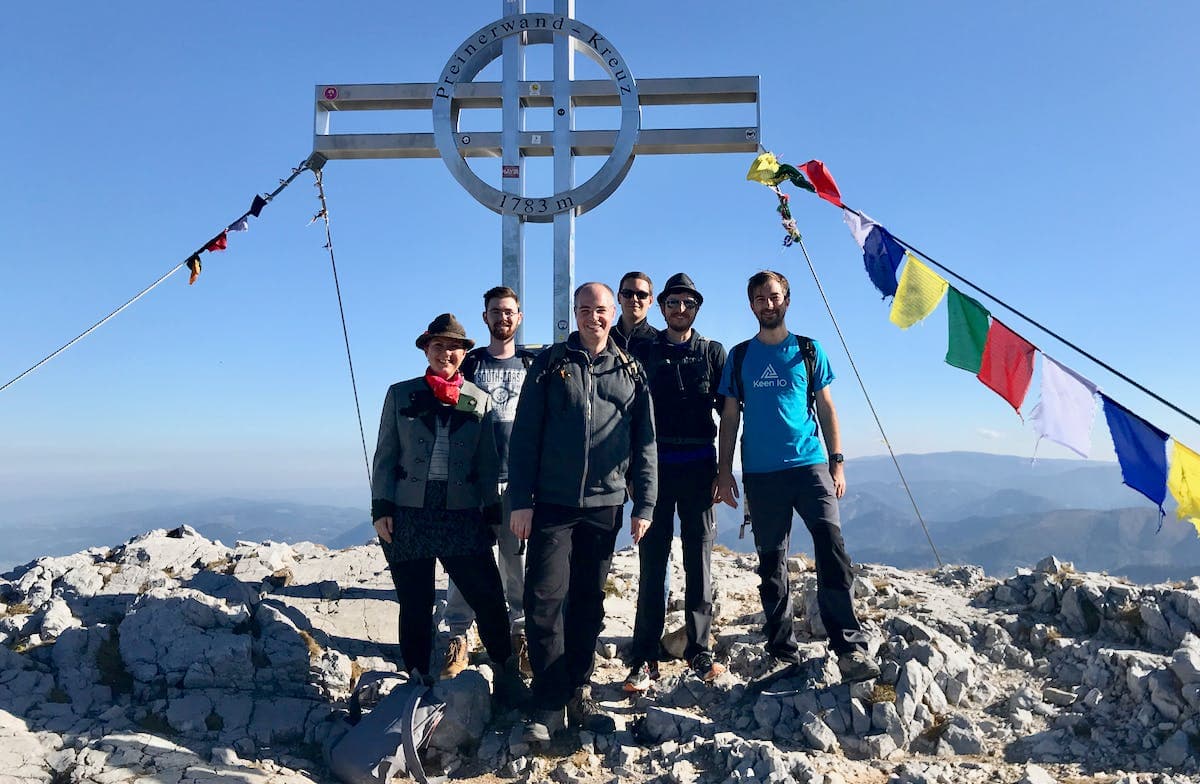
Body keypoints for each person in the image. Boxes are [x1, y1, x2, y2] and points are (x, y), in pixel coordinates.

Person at [713, 271, 880, 683]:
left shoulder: (808, 350)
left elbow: (826, 408)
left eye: (774, 297)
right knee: (771, 561)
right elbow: (730, 418)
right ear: (750, 305)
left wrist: (837, 462)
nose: (768, 305)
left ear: (787, 300)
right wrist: (724, 471)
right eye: (760, 299)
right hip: (761, 472)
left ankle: (849, 647)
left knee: (832, 547)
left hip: (810, 464)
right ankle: (781, 649)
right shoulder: (738, 357)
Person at [508, 282, 657, 741]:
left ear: (614, 314)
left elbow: (645, 442)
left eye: (602, 310)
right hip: (553, 503)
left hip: (606, 505)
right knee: (544, 598)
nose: (594, 317)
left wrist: (645, 503)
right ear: (575, 313)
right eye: (586, 309)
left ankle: (578, 686)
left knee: (589, 602)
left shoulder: (631, 370)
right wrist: (519, 500)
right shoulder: (551, 364)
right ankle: (550, 699)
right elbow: (526, 435)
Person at [370, 313, 516, 687]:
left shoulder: (478, 400)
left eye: (453, 347)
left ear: (464, 353)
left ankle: (506, 673)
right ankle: (417, 677)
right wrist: (381, 508)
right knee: (415, 604)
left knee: (488, 597)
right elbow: (385, 456)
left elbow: (487, 464)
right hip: (408, 513)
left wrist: (492, 513)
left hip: (463, 513)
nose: (446, 354)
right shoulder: (401, 393)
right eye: (439, 346)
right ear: (427, 350)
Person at [625, 272, 728, 692]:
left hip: (700, 467)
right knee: (653, 564)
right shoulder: (644, 352)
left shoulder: (712, 353)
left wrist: (726, 472)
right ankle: (644, 655)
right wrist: (631, 472)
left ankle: (699, 649)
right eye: (672, 303)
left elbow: (731, 415)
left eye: (688, 303)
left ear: (696, 308)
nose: (680, 310)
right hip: (654, 470)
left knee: (698, 560)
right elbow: (629, 414)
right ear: (662, 307)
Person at [441, 286, 538, 679]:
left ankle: (520, 634)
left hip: (518, 483)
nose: (503, 318)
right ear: (485, 317)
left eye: (510, 311)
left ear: (520, 317)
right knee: (466, 563)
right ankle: (458, 636)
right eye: (496, 311)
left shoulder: (534, 365)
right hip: (475, 483)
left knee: (516, 564)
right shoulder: (471, 364)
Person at [612, 271, 659, 352]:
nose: (634, 299)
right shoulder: (604, 339)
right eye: (627, 293)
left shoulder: (660, 342)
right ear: (619, 298)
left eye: (641, 295)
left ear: (650, 301)